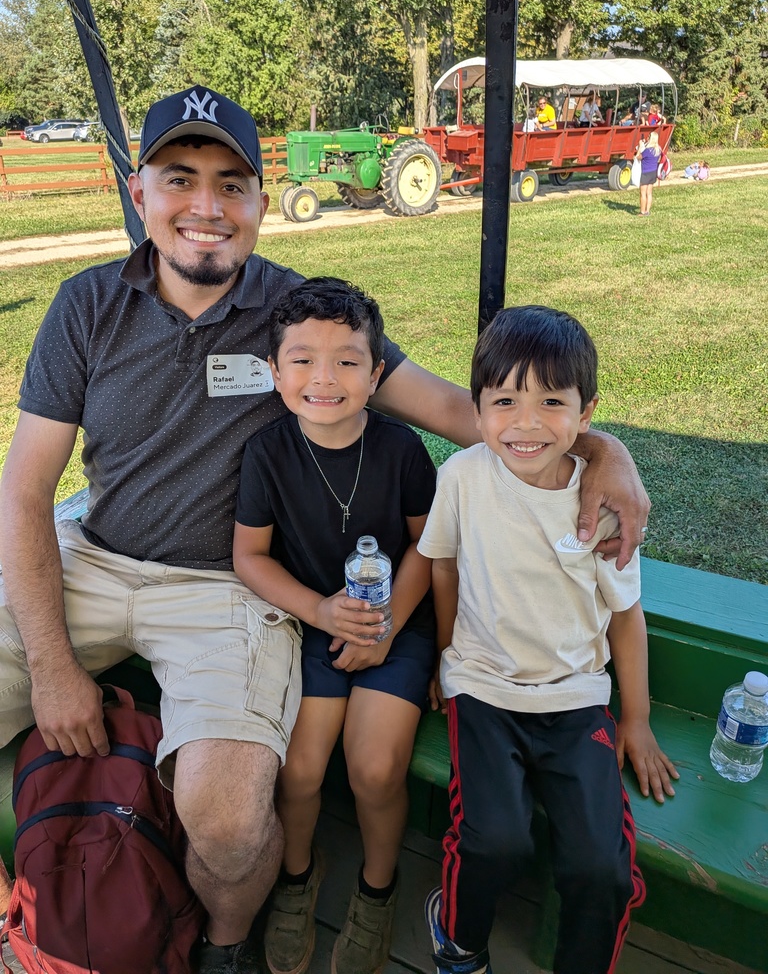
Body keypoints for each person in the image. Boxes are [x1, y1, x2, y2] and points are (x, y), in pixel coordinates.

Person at [0, 84, 649, 973]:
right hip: (91, 558)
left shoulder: (300, 316)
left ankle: (225, 947)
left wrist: (608, 453)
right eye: (180, 178)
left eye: (233, 184)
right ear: (137, 189)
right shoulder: (86, 307)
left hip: (223, 590)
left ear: (263, 203)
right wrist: (48, 663)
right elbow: (28, 495)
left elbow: (475, 414)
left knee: (230, 822)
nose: (207, 207)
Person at [417, 305, 679, 974]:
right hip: (483, 686)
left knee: (601, 866)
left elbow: (626, 615)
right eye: (504, 400)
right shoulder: (463, 478)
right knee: (493, 840)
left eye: (551, 402)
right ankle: (459, 942)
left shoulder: (604, 503)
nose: (526, 422)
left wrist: (638, 719)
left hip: (576, 701)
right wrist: (447, 659)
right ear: (477, 409)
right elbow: (443, 565)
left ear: (587, 411)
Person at [233, 277, 436, 974]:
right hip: (315, 622)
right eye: (302, 360)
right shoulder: (266, 454)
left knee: (375, 769)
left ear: (377, 373)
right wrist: (322, 612)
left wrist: (387, 630)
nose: (325, 378)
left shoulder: (403, 450)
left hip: (399, 625)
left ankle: (378, 889)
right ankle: (297, 879)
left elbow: (429, 550)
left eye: (348, 361)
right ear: (274, 374)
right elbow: (249, 557)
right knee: (298, 771)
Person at [635, 130, 661, 216]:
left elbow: (638, 157)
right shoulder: (658, 150)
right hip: (653, 172)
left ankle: (642, 211)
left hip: (645, 172)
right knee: (649, 193)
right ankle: (647, 211)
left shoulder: (647, 151)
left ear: (651, 139)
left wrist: (640, 147)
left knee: (643, 193)